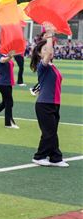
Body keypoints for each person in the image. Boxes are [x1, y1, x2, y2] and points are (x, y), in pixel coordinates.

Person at [30, 24, 68, 167]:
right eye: (44, 50)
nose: (48, 51)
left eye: (49, 49)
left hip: (54, 103)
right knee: (49, 132)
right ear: (40, 54)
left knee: (51, 132)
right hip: (44, 104)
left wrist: (50, 35)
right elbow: (48, 52)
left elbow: (50, 50)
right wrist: (50, 36)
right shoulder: (43, 65)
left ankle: (55, 157)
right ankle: (39, 156)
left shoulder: (52, 66)